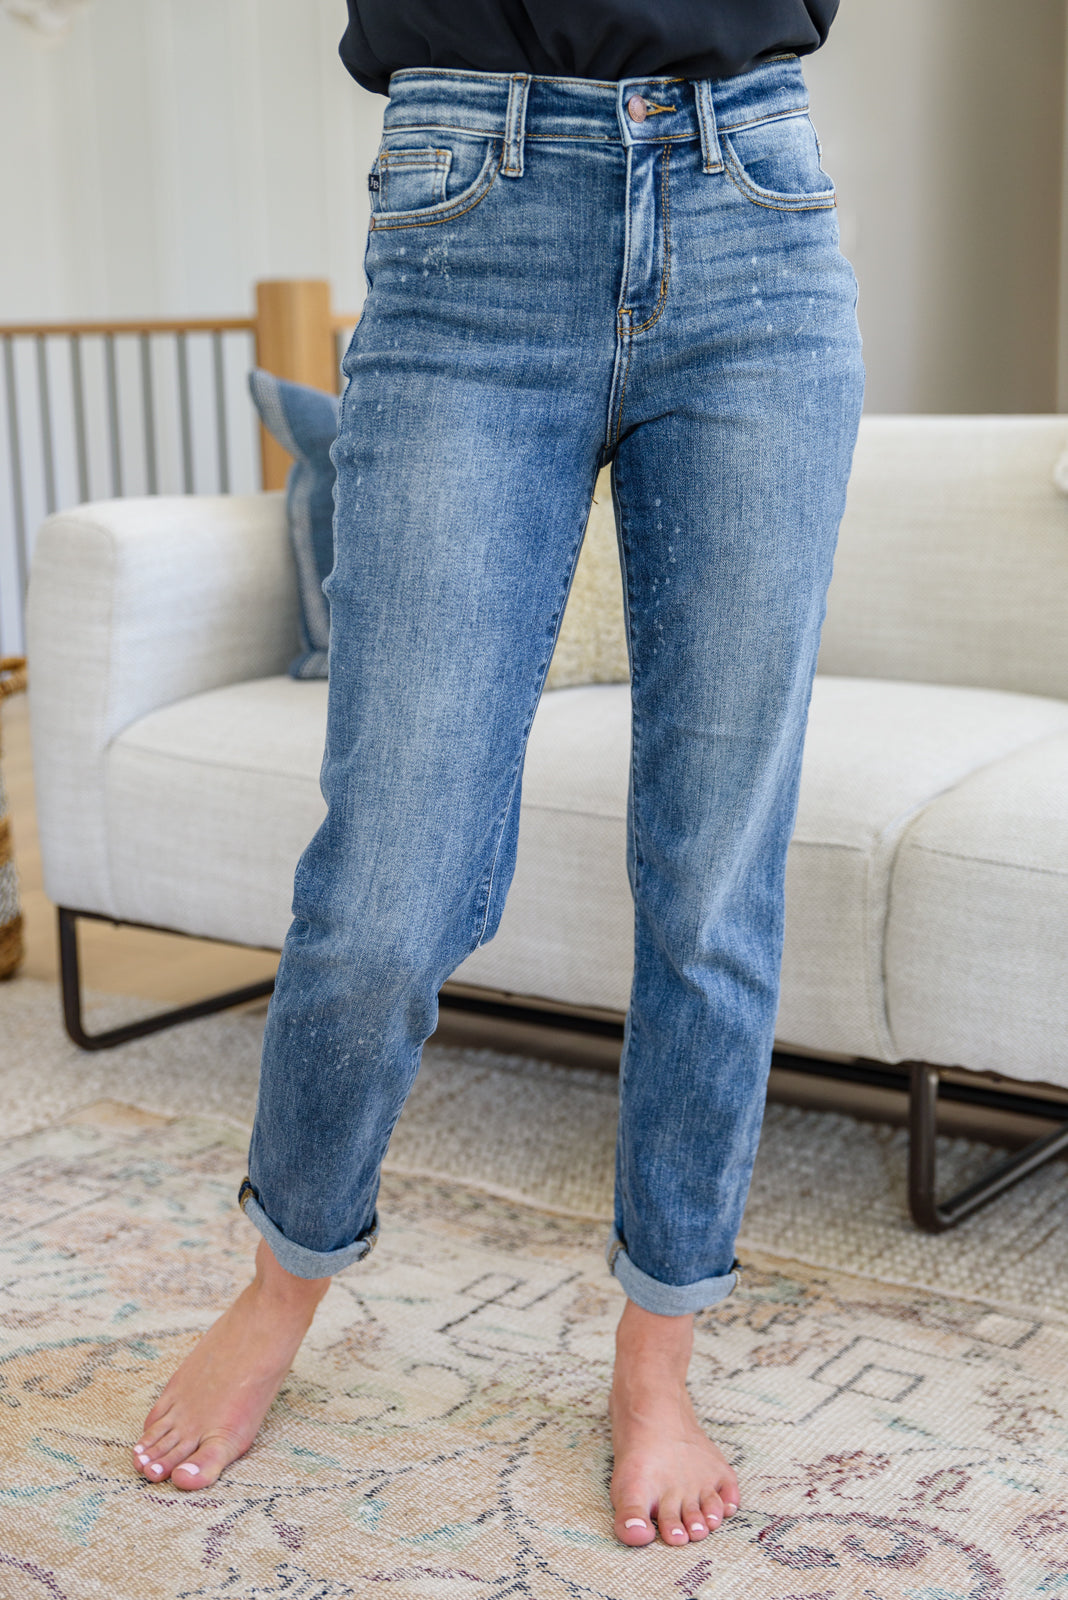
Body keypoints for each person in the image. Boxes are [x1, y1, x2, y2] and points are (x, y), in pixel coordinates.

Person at [131, 0, 863, 1550]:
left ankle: (657, 1364)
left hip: (753, 201)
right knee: (386, 890)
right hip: (470, 205)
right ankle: (283, 1281)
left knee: (713, 881)